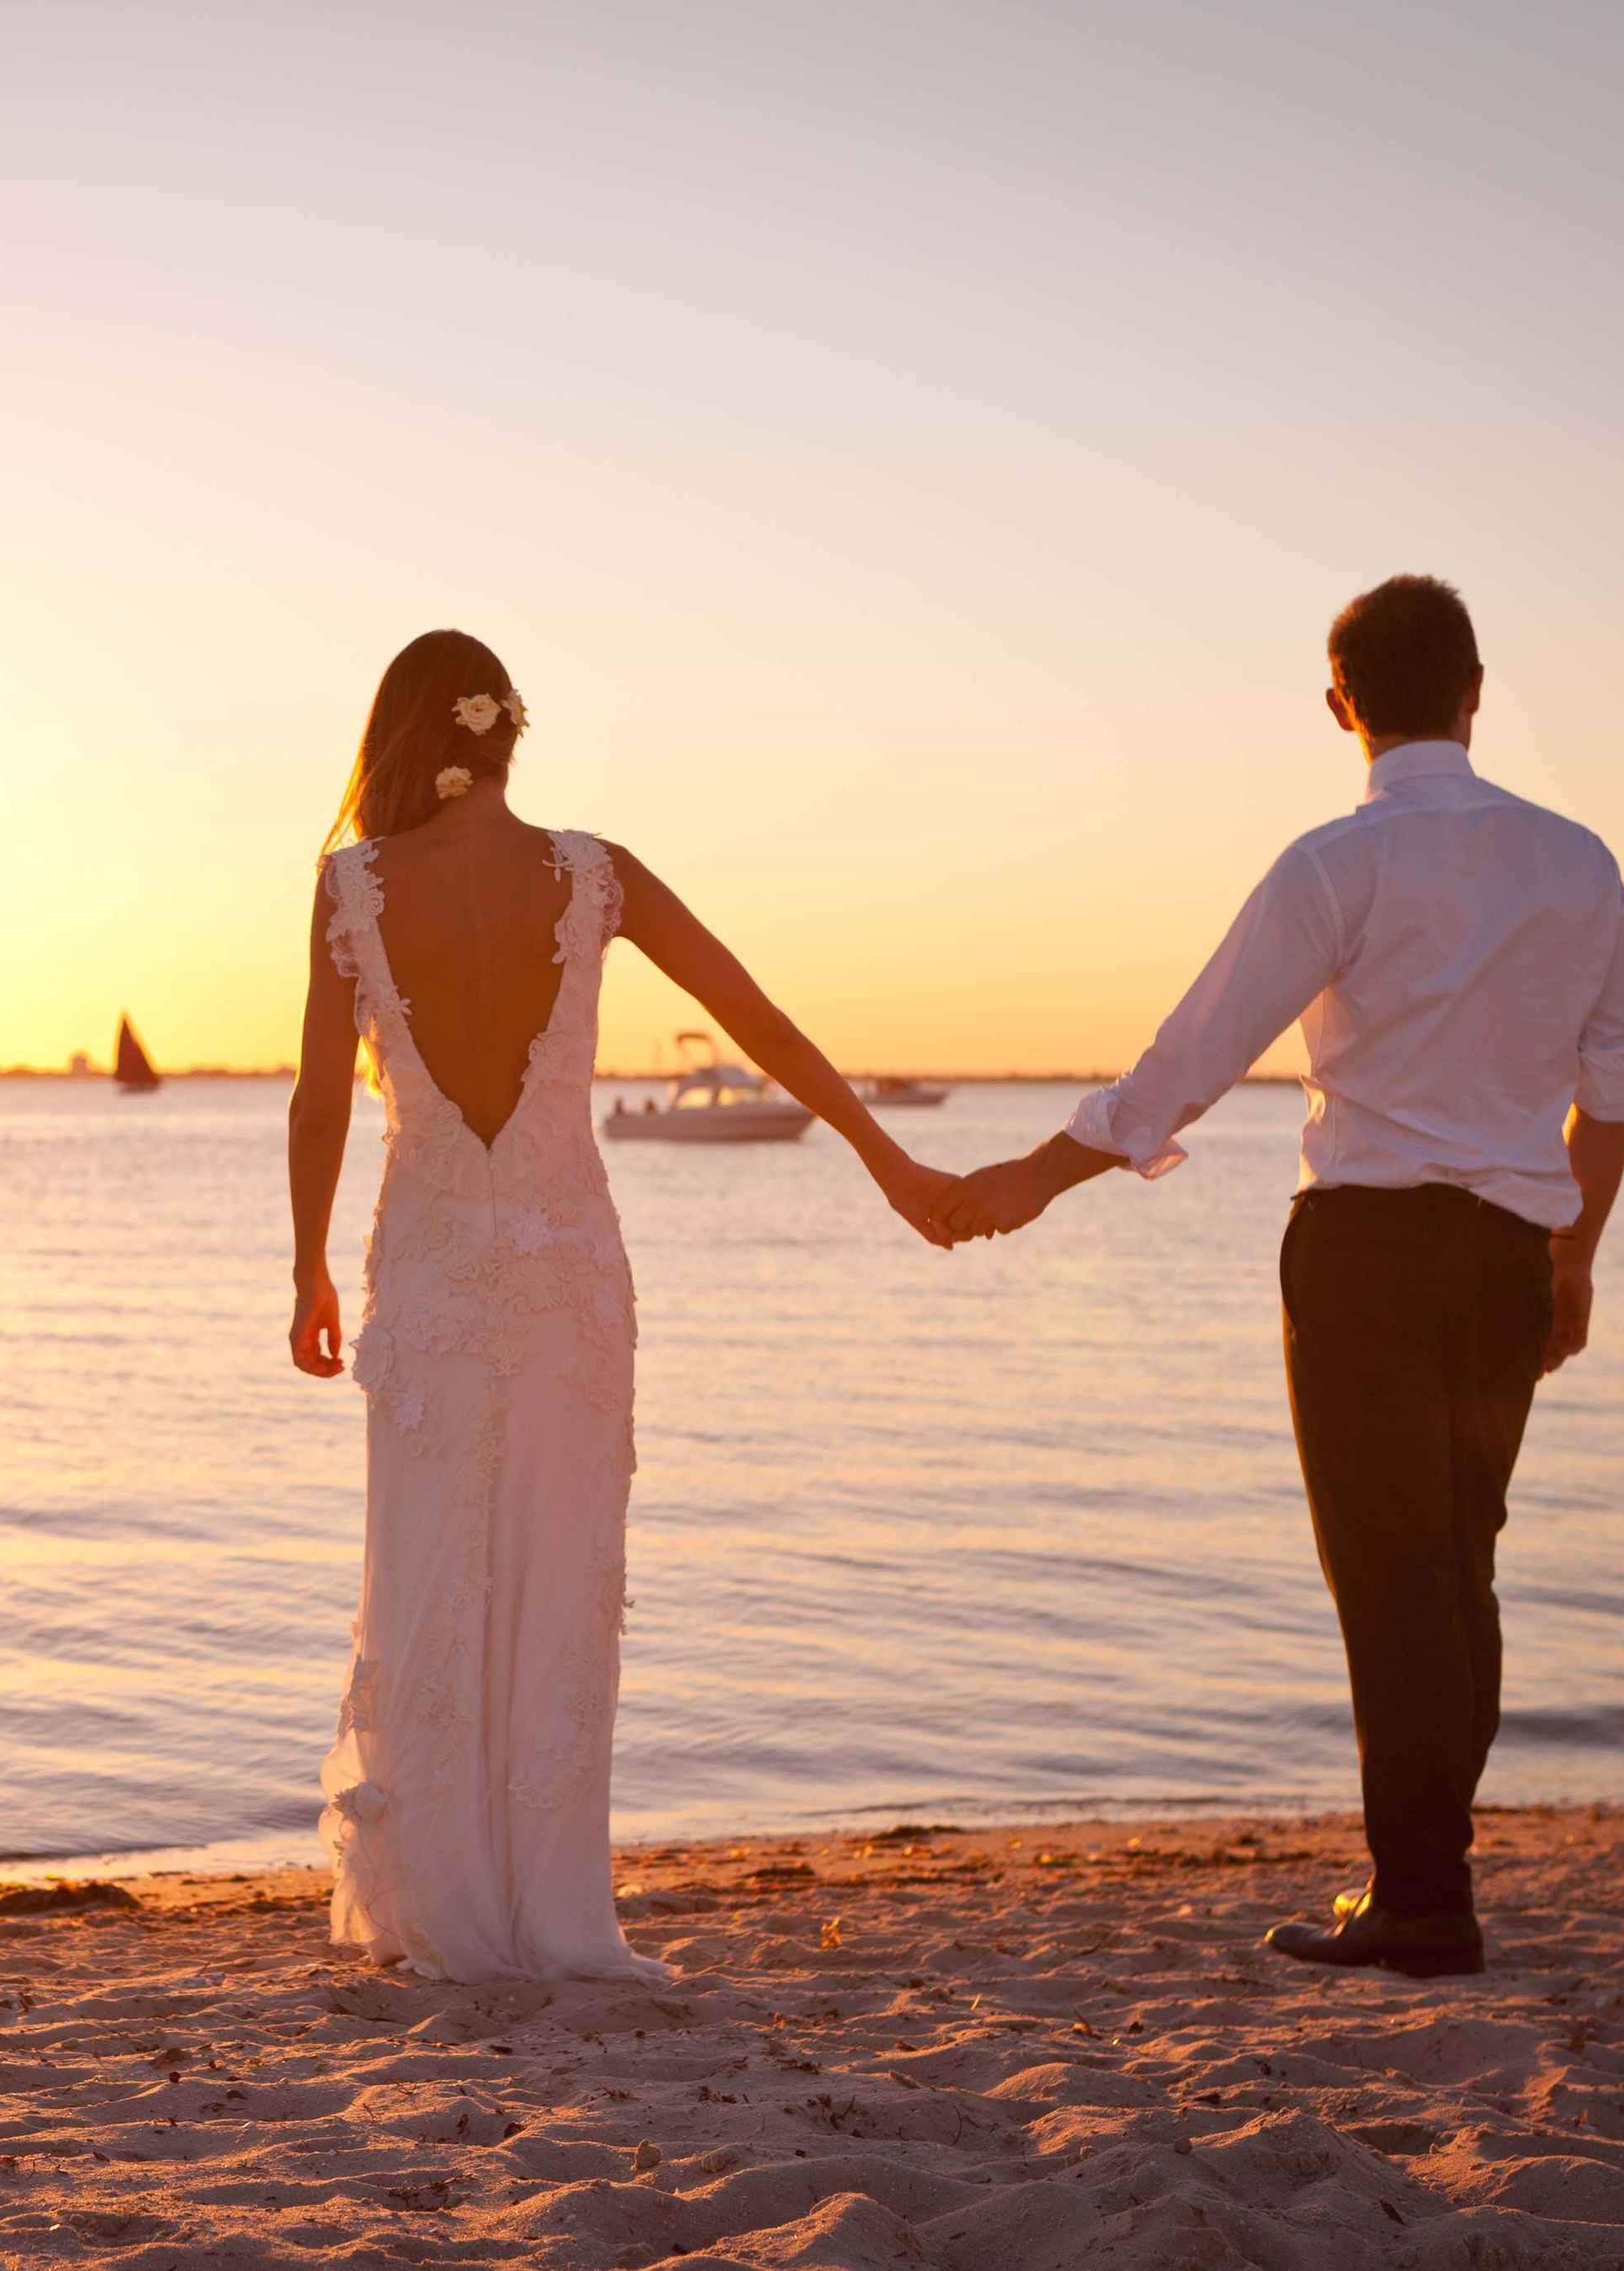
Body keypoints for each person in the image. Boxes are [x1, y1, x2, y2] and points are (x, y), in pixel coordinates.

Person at [937, 574, 1624, 1977]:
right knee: (1459, 1561)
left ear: (1342, 707)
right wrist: (1575, 1255)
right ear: (1477, 689)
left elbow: (1185, 1062)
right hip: (1509, 1253)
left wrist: (1029, 1178)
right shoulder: (1580, 864)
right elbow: (1612, 1087)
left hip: (1369, 1259)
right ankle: (1430, 1875)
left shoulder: (1335, 865)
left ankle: (1424, 1901)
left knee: (1391, 1577)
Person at [285, 628, 955, 1981]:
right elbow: (753, 1017)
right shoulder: (592, 874)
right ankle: (553, 1917)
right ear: (510, 735)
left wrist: (302, 1264)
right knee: (556, 1575)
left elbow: (315, 1094)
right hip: (567, 1274)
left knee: (431, 1574)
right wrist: (884, 1154)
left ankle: (447, 1913)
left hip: (426, 1269)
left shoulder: (350, 886)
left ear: (402, 739)